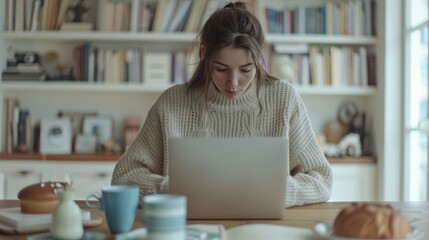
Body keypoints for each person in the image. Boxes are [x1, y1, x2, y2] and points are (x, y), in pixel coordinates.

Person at [112, 1, 332, 208]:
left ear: (259, 58)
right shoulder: (172, 103)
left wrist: (278, 192)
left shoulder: (284, 99)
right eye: (221, 69)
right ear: (204, 54)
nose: (233, 83)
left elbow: (322, 179)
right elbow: (123, 177)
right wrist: (172, 189)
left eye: (246, 69)